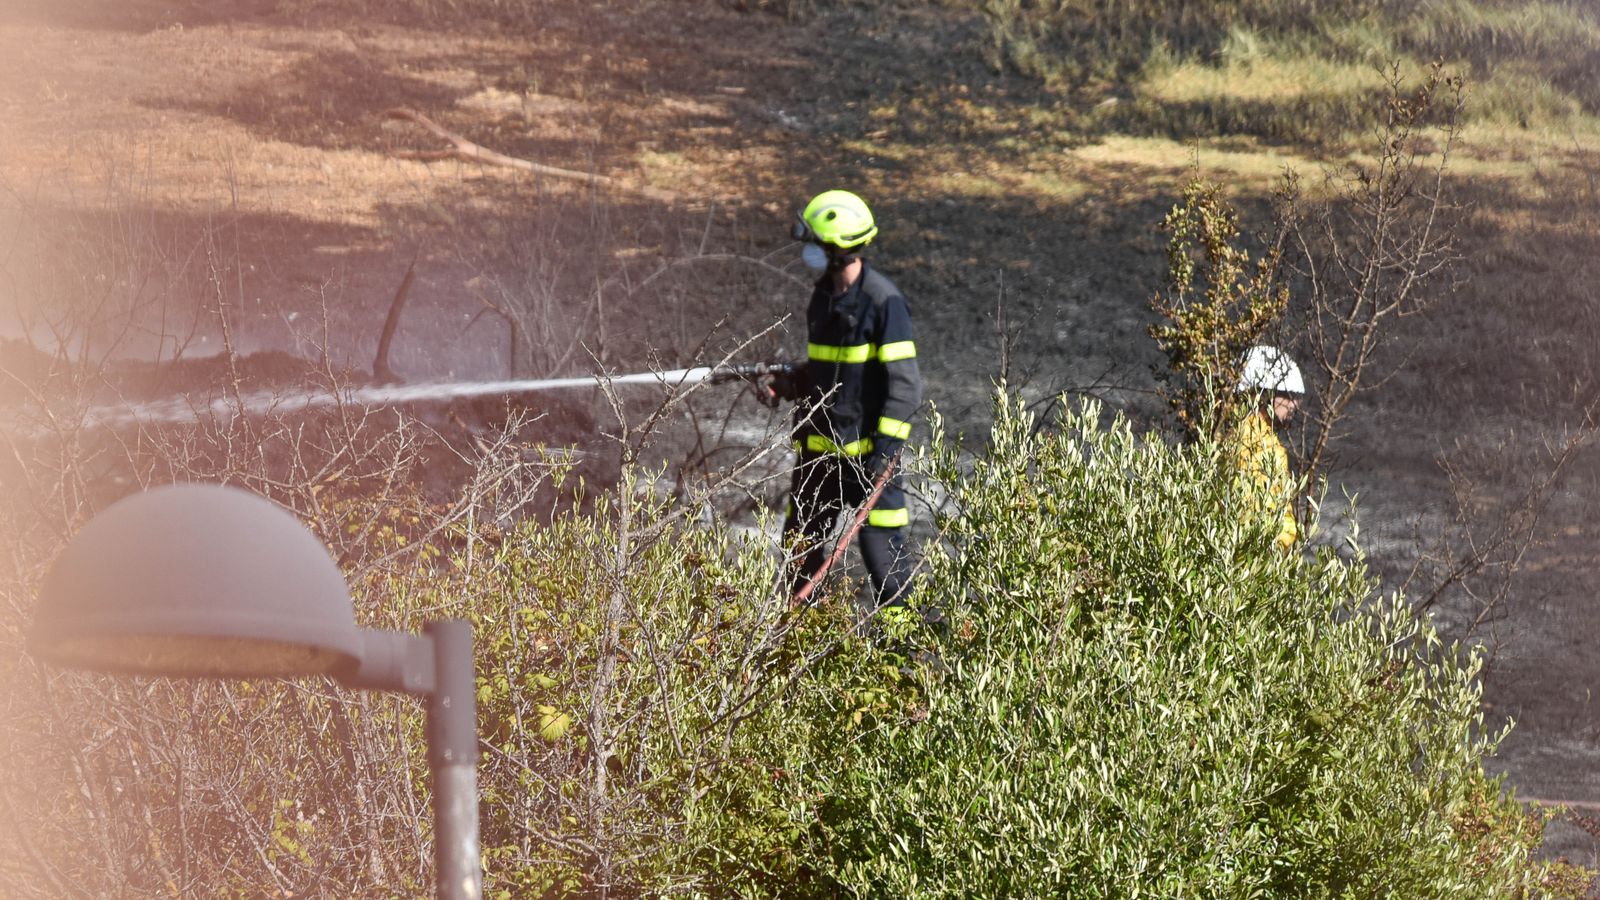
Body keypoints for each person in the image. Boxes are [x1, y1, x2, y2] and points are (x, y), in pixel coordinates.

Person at [767, 190, 922, 617]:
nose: (809, 253)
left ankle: (908, 662)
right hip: (818, 463)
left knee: (888, 574)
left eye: (815, 243)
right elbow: (831, 372)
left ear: (836, 249)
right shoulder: (824, 298)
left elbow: (905, 387)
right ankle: (798, 660)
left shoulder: (883, 302)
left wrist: (884, 455)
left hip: (869, 465)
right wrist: (789, 383)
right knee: (799, 569)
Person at [1227, 344, 1304, 552]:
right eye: (1287, 395)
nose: (1294, 404)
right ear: (1263, 393)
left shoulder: (1246, 434)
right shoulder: (1256, 444)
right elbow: (1255, 510)